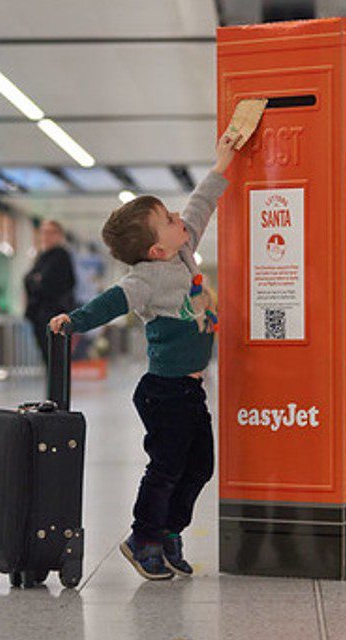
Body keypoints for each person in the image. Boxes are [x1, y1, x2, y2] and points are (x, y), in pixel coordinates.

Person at [50, 133, 237, 581]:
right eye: (169, 220)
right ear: (157, 249)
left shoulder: (183, 248)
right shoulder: (145, 280)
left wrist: (222, 164)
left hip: (190, 390)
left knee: (200, 467)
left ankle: (171, 532)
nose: (180, 219)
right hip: (164, 392)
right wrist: (73, 322)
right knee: (167, 467)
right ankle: (144, 538)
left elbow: (200, 205)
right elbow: (110, 302)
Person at [24, 220, 76, 370]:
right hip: (39, 316)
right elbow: (29, 280)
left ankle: (58, 394)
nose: (46, 236)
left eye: (51, 233)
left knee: (56, 359)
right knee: (48, 359)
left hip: (54, 316)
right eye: (43, 232)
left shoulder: (61, 256)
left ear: (59, 235)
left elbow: (47, 284)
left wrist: (37, 280)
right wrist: (35, 280)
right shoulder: (41, 257)